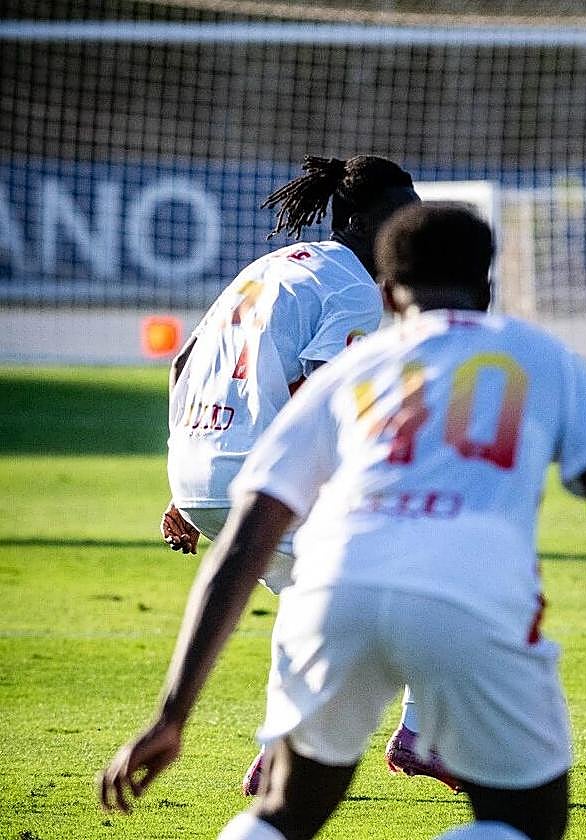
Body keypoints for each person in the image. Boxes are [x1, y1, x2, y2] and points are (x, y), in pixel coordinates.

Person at [100, 203, 586, 840]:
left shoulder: (347, 372)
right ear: (488, 285)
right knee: (524, 823)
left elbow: (247, 539)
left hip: (334, 592)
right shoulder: (545, 360)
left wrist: (171, 714)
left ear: (387, 293)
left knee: (284, 812)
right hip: (471, 598)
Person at [159, 153, 455, 794]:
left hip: (201, 474)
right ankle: (392, 740)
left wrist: (185, 486)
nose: (411, 225)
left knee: (327, 594)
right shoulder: (351, 288)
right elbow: (322, 395)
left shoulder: (266, 269)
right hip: (260, 476)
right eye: (402, 213)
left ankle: (385, 736)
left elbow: (182, 362)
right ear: (361, 220)